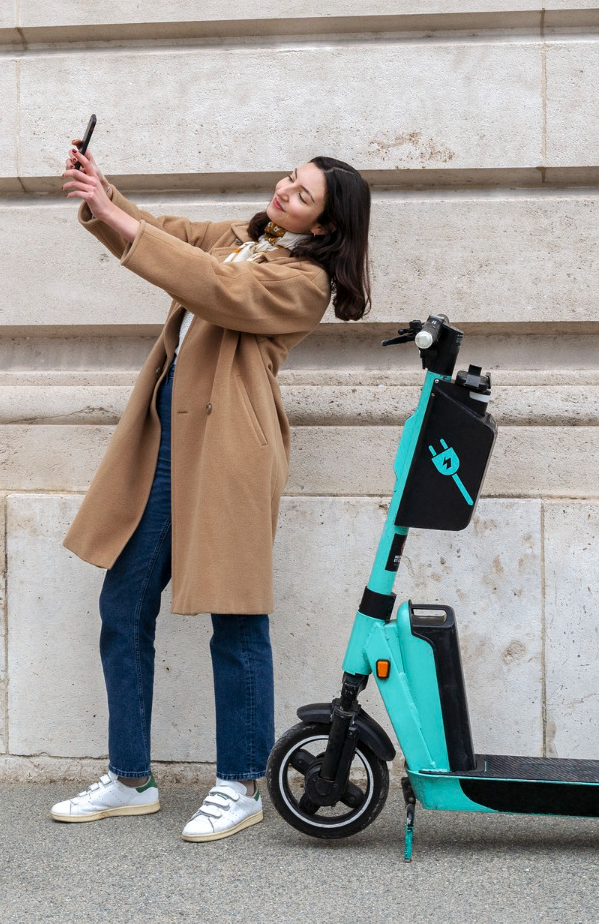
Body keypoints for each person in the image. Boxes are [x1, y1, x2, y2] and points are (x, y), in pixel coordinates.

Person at [51, 142, 372, 842]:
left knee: (236, 615)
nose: (285, 190)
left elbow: (213, 286)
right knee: (123, 600)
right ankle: (130, 778)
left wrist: (116, 214)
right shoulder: (243, 239)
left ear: (324, 226)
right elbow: (171, 238)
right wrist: (102, 193)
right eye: (290, 177)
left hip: (229, 455)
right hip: (165, 448)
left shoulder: (302, 282)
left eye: (304, 194)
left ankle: (240, 784)